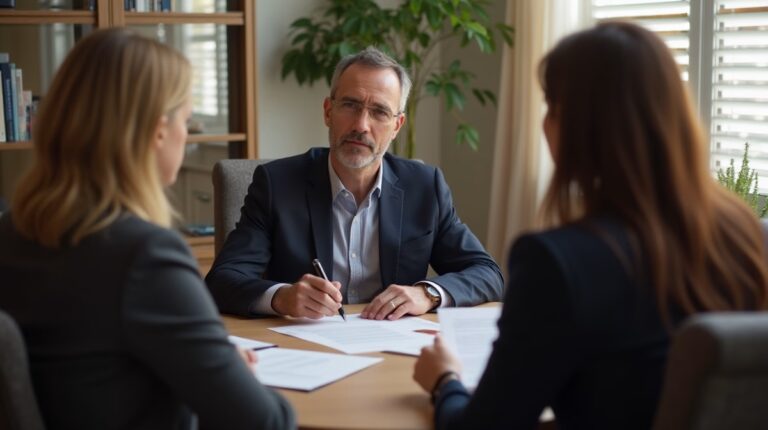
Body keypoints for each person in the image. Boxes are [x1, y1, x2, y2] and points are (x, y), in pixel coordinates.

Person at [413, 21, 768, 430]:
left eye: (551, 107)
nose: (544, 124)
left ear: (580, 126)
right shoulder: (745, 236)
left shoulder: (559, 262)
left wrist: (445, 380)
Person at [0, 29, 294, 430]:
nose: (186, 136)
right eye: (186, 121)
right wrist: (232, 375)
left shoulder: (10, 232)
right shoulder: (144, 257)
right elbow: (266, 422)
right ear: (158, 130)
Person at [206, 47, 503, 320]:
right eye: (350, 105)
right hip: (306, 349)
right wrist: (281, 297)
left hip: (394, 351)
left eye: (379, 112)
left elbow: (487, 273)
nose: (361, 125)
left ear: (397, 126)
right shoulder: (276, 184)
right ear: (328, 111)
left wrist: (426, 293)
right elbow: (222, 280)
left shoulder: (425, 187)